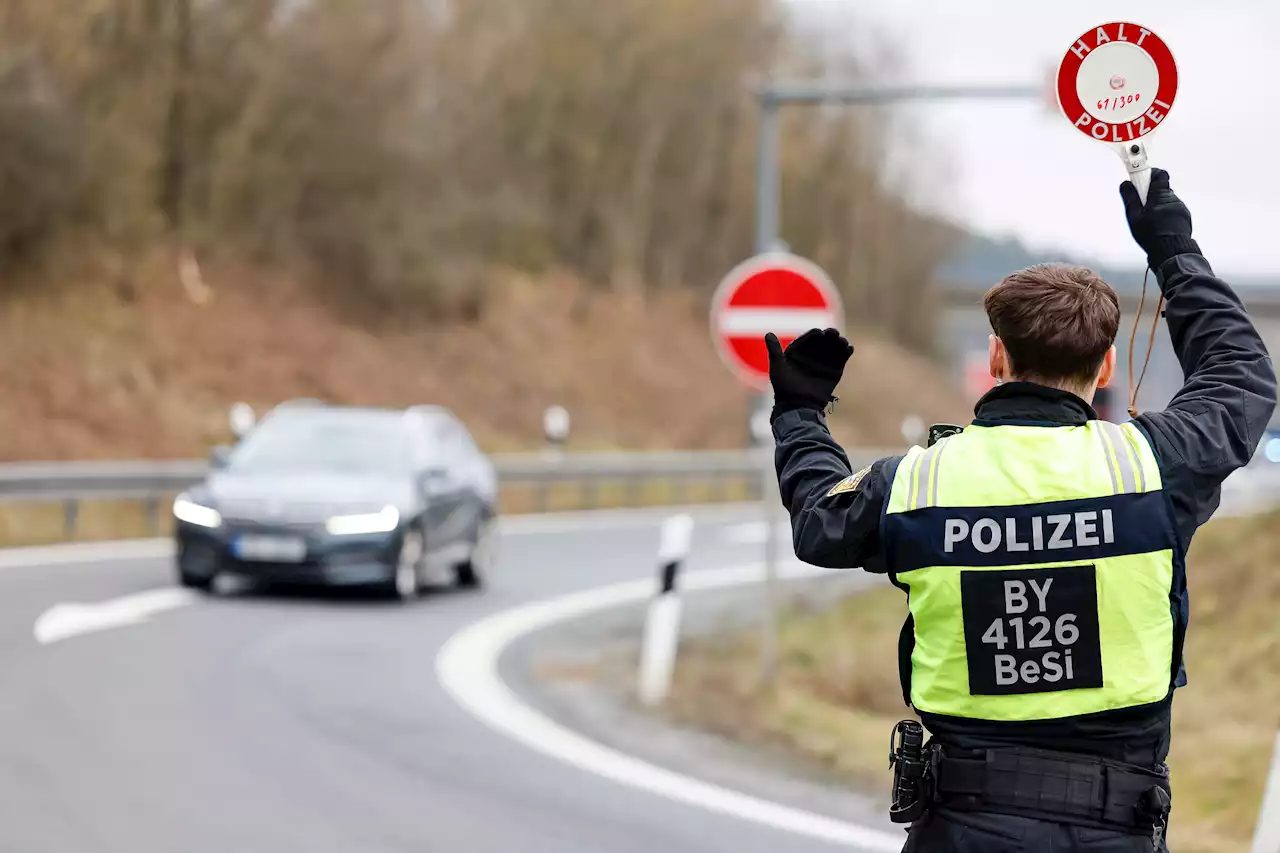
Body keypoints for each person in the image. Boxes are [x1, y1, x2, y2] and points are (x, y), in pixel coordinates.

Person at [765, 169, 1277, 852]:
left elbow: (817, 518)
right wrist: (1174, 249)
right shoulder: (1152, 467)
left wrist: (799, 413)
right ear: (1105, 369)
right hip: (1115, 829)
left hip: (961, 827)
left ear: (996, 355)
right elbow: (1239, 375)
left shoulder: (919, 484)